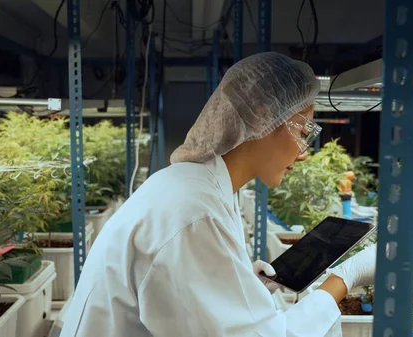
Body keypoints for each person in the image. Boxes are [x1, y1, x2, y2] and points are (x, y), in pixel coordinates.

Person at [60, 52, 377, 337]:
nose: (304, 152)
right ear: (264, 117)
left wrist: (237, 281)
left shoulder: (196, 186)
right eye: (303, 132)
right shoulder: (196, 214)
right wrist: (343, 279)